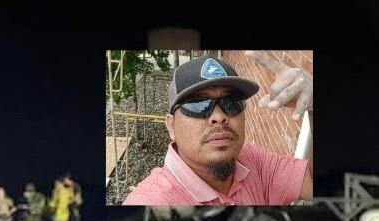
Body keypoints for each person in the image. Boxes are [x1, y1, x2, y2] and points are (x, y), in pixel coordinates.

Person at [122, 51, 314, 206]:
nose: (219, 117)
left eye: (231, 102)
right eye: (197, 105)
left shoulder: (250, 160)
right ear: (171, 126)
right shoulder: (152, 201)